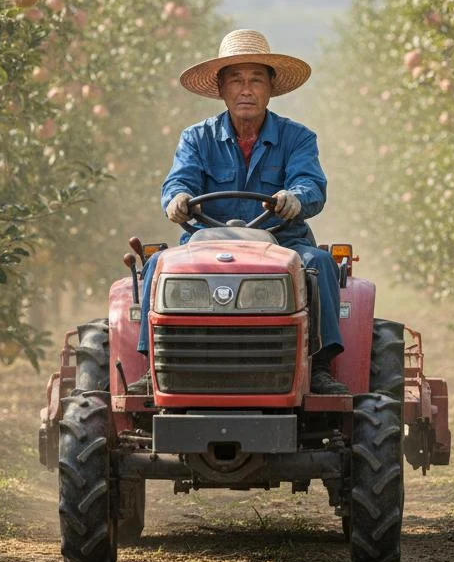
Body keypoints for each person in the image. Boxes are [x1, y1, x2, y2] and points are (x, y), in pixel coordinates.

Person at [130, 28, 349, 395]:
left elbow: (311, 185)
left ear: (270, 88)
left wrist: (295, 198)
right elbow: (177, 181)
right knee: (156, 264)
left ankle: (321, 366)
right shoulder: (196, 138)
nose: (246, 89)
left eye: (255, 80)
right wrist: (177, 199)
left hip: (282, 243)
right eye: (236, 80)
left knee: (319, 263)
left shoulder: (298, 138)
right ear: (221, 89)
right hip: (205, 243)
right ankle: (152, 366)